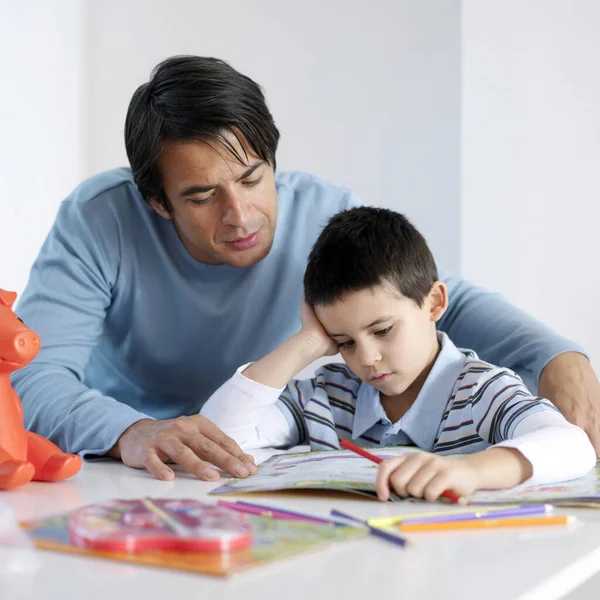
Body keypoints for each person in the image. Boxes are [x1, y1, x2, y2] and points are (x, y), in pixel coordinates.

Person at [12, 55, 600, 484]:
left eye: (252, 178)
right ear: (158, 202)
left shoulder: (323, 213)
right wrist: (132, 433)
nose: (240, 216)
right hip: (136, 468)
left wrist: (559, 357)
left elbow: (436, 299)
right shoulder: (97, 220)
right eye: (200, 197)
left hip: (262, 454)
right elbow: (33, 376)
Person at [201, 207, 596, 500]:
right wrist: (306, 343)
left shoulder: (480, 390)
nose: (367, 358)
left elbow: (571, 445)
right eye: (344, 341)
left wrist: (469, 471)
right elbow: (220, 439)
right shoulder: (328, 395)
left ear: (434, 303)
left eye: (383, 330)